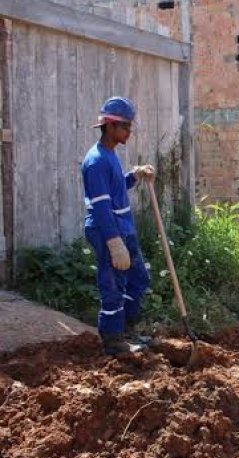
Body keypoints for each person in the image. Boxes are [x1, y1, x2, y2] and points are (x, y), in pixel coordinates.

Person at [81, 97, 156, 356]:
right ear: (110, 126)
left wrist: (134, 176)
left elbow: (115, 189)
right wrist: (114, 244)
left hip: (124, 228)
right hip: (108, 230)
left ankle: (125, 330)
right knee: (113, 286)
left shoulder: (110, 155)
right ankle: (113, 341)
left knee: (138, 279)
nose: (129, 131)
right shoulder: (96, 162)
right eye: (125, 126)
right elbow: (102, 208)